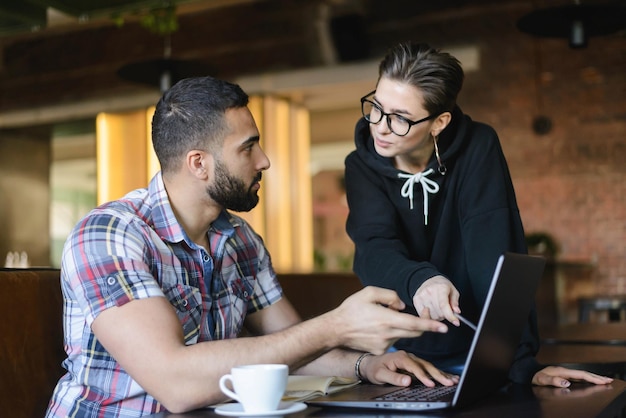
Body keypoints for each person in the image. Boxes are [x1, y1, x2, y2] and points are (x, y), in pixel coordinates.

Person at [45, 76, 460, 417]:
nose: (264, 160)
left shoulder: (242, 241)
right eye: (248, 147)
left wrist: (365, 364)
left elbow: (293, 344)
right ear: (198, 163)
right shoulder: (109, 235)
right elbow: (175, 384)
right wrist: (336, 324)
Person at [344, 41, 613, 388]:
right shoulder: (360, 166)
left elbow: (494, 253)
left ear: (439, 122)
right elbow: (374, 248)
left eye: (400, 119)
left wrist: (522, 365)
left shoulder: (478, 147)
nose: (380, 126)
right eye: (377, 108)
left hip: (480, 354)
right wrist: (422, 279)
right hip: (402, 353)